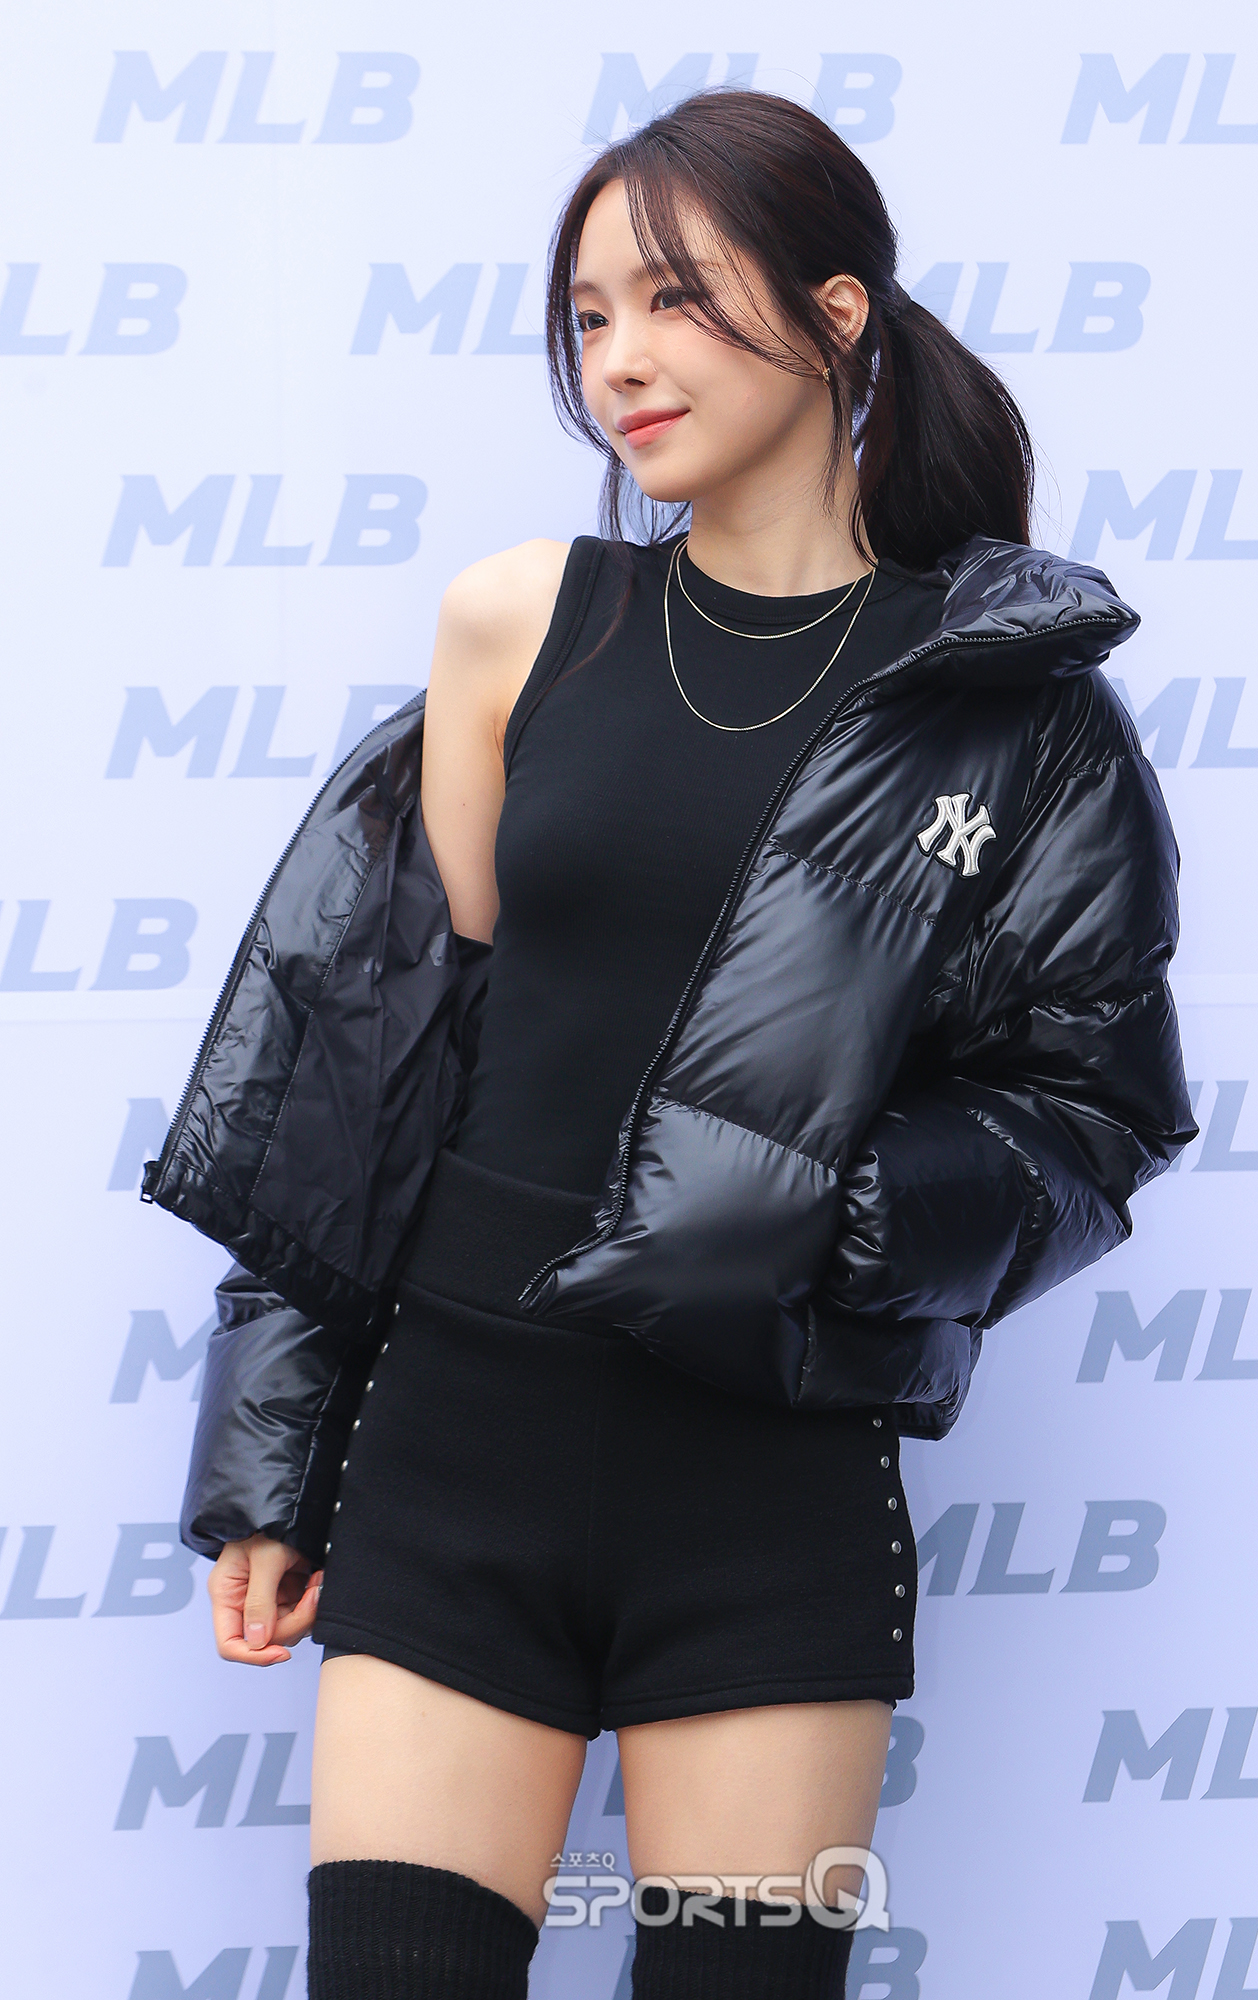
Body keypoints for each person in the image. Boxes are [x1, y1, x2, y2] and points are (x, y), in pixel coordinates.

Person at [144, 89, 1197, 2000]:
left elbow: (1091, 1107)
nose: (618, 359)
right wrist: (276, 1450)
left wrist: (806, 1216)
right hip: (455, 1452)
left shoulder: (1009, 708)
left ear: (836, 314)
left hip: (765, 1490)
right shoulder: (520, 623)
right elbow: (382, 1063)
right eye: (587, 316)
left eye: (673, 299)